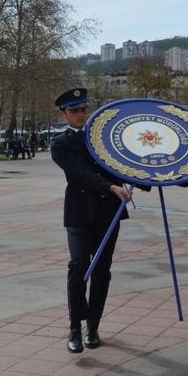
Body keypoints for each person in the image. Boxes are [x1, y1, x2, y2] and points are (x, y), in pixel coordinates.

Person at [50, 88, 137, 354]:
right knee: (78, 266)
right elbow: (80, 173)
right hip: (79, 212)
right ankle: (75, 327)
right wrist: (110, 187)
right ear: (64, 114)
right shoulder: (60, 144)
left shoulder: (103, 139)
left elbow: (124, 163)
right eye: (74, 111)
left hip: (108, 213)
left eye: (83, 110)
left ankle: (93, 327)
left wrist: (146, 176)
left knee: (101, 271)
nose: (80, 115)